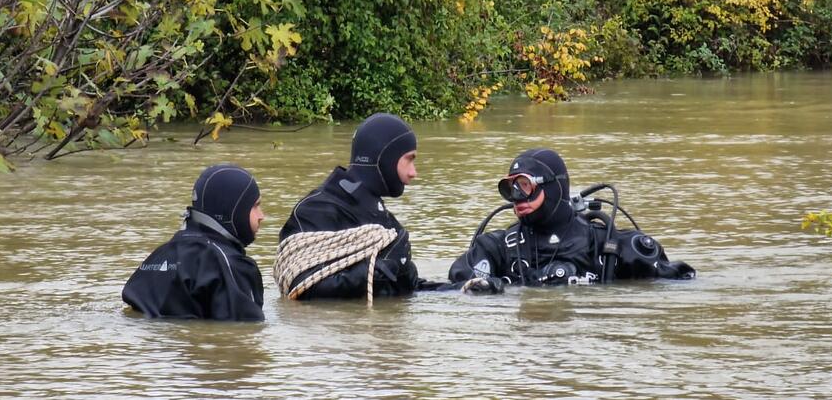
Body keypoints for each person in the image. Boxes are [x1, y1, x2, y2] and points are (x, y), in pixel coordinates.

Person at [449, 148, 695, 292]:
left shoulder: (607, 246)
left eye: (524, 186)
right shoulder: (494, 248)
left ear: (554, 187)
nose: (516, 198)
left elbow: (683, 283)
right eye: (510, 188)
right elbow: (455, 285)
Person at [275, 113, 452, 301]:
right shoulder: (316, 210)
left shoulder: (384, 220)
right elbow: (303, 289)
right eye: (409, 159)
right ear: (386, 157)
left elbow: (408, 289)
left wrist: (463, 290)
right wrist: (380, 268)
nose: (413, 172)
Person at [122, 164, 265, 320]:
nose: (261, 216)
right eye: (256, 206)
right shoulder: (229, 263)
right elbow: (245, 331)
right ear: (234, 209)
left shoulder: (160, 254)